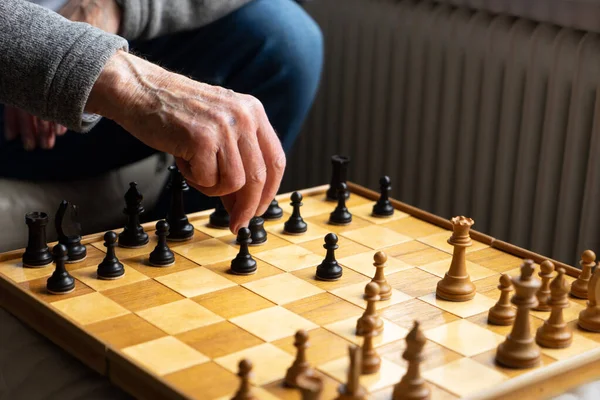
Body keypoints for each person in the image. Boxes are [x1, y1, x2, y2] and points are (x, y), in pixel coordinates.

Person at [0, 0, 324, 233]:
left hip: (116, 39)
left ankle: (186, 247)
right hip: (16, 80)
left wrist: (117, 6)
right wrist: (60, 59)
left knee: (286, 37)